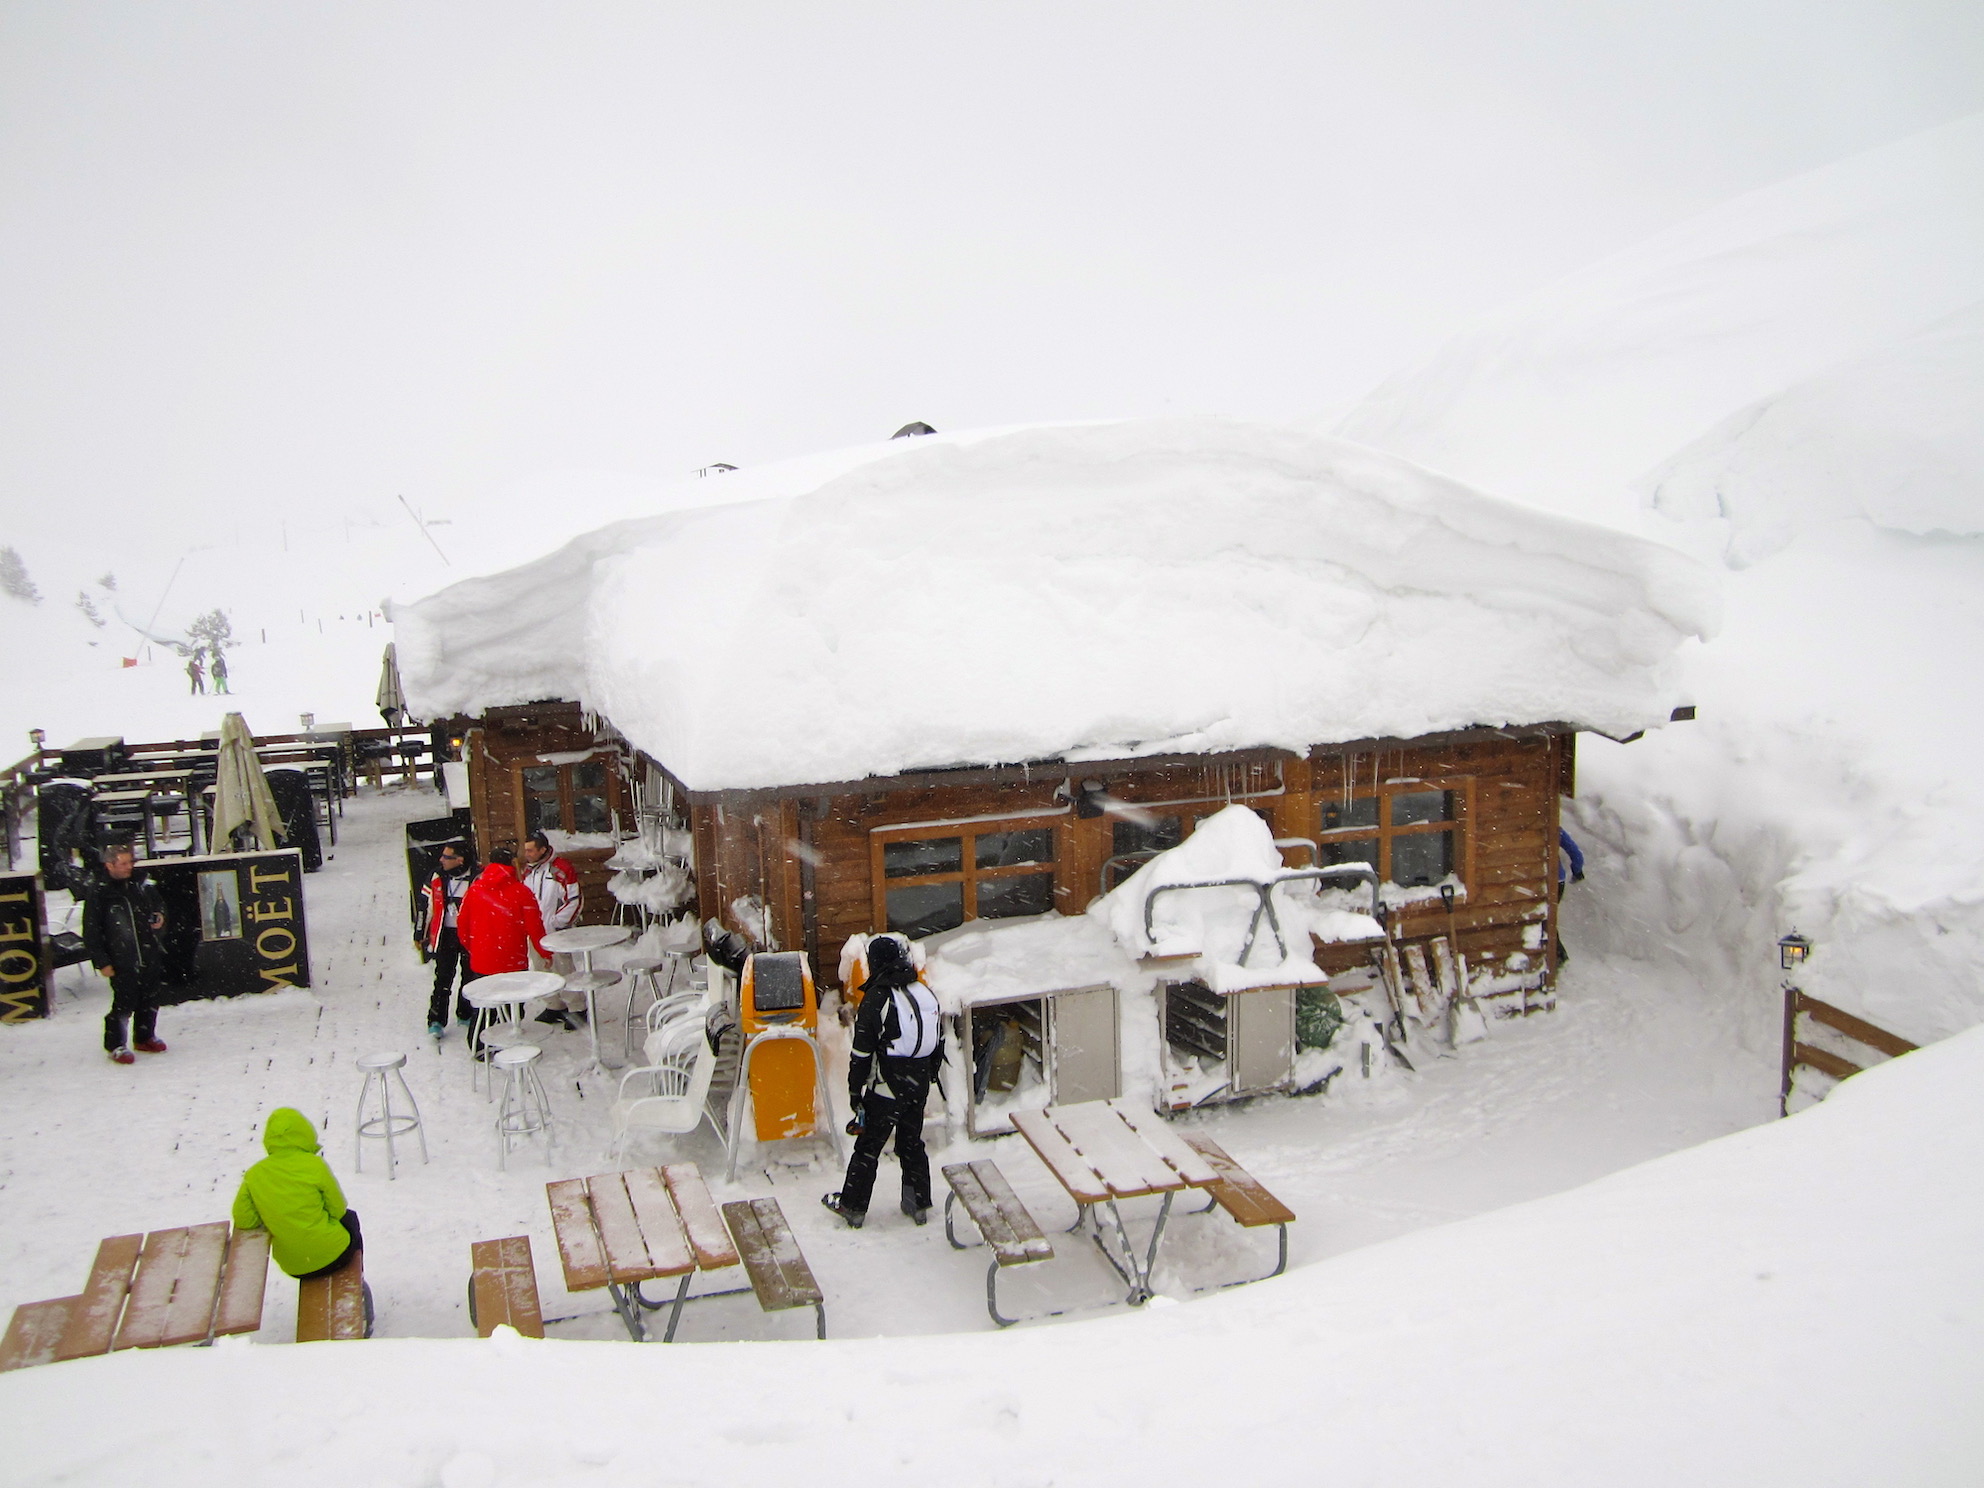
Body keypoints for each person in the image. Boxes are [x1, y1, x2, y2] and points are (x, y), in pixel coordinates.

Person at [822, 934, 942, 1228]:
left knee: (868, 1147)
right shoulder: (923, 991)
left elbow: (862, 1052)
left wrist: (855, 1091)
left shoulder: (878, 997)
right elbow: (937, 1042)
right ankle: (918, 1203)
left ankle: (853, 1206)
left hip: (887, 1086)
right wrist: (926, 1077)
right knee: (911, 1142)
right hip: (919, 1082)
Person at [232, 1107, 366, 1295]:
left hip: (294, 1265)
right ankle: (356, 1283)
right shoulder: (315, 1165)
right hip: (334, 1254)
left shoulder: (254, 1175)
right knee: (351, 1219)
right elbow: (338, 1210)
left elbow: (244, 1220)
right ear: (305, 1133)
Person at [454, 845, 548, 1053]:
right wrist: (545, 953)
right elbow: (535, 927)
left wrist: (474, 948)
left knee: (483, 1007)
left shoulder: (475, 890)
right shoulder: (521, 892)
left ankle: (479, 1046)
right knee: (513, 1006)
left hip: (482, 961)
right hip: (512, 960)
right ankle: (511, 1044)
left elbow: (463, 926)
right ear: (512, 863)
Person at [82, 840, 168, 1064]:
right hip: (121, 956)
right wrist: (101, 961)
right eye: (123, 863)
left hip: (147, 951)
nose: (129, 867)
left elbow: (155, 905)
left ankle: (145, 1035)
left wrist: (157, 916)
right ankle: (116, 1044)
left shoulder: (137, 885)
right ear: (109, 865)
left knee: (150, 996)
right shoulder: (100, 892)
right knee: (124, 1001)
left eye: (130, 862)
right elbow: (91, 929)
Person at [518, 830, 583, 1028]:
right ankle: (554, 1005)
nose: (526, 854)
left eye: (530, 850)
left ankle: (577, 1009)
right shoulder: (527, 871)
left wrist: (556, 923)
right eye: (525, 850)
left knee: (564, 970)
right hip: (535, 932)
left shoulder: (561, 869)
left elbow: (574, 899)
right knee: (542, 970)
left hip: (555, 933)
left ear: (543, 849)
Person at [420, 842, 475, 1038]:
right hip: (445, 936)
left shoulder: (476, 876)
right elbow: (423, 907)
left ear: (460, 860)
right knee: (443, 978)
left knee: (470, 977)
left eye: (446, 857)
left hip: (470, 936)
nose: (441, 860)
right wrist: (420, 932)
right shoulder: (437, 876)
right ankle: (436, 1019)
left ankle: (466, 1013)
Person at [1556, 828, 1586, 963]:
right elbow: (1575, 852)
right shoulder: (1555, 829)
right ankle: (1558, 955)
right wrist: (1577, 871)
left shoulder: (1547, 828)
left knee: (1544, 920)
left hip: (1546, 881)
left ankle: (1559, 956)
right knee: (1547, 919)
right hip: (1558, 882)